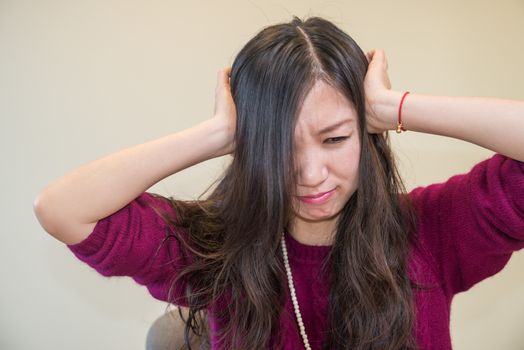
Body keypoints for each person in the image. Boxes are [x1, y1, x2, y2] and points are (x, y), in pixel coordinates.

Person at [33, 15, 524, 350]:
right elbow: (61, 209)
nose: (311, 174)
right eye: (280, 148)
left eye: (334, 139)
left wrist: (395, 108)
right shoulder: (214, 248)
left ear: (367, 134)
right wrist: (217, 134)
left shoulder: (433, 229)